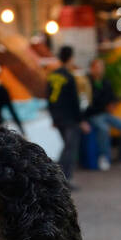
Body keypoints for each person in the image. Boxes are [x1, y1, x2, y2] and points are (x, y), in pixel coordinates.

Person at [82, 57, 121, 171]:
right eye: (98, 67)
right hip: (93, 115)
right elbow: (89, 102)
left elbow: (112, 97)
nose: (101, 69)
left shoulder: (106, 82)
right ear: (92, 68)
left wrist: (113, 104)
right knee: (104, 129)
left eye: (102, 67)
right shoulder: (87, 82)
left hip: (106, 114)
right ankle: (104, 157)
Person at [46, 44, 88, 190]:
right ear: (71, 58)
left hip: (58, 117)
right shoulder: (69, 77)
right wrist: (81, 120)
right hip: (69, 118)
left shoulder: (52, 75)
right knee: (70, 149)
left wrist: (53, 117)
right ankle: (63, 178)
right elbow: (74, 101)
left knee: (67, 147)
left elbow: (49, 98)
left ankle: (59, 177)